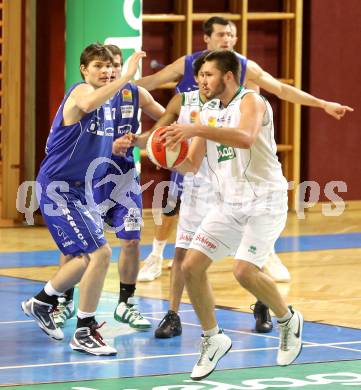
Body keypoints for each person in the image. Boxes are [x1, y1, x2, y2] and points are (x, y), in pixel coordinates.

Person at [137, 15, 353, 283]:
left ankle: (264, 252)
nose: (226, 39)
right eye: (221, 35)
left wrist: (322, 104)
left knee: (243, 201)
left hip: (225, 146)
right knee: (171, 202)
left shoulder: (243, 67)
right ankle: (156, 256)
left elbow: (281, 89)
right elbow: (155, 80)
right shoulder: (189, 63)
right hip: (192, 145)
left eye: (231, 35)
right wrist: (117, 86)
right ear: (206, 38)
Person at [163, 50, 304, 381]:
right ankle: (213, 338)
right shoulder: (207, 111)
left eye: (208, 75)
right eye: (199, 76)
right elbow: (193, 164)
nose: (201, 81)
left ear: (228, 76)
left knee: (244, 271)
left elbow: (244, 136)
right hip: (228, 204)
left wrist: (196, 129)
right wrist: (158, 152)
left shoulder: (251, 101)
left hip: (265, 201)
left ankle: (287, 319)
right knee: (190, 266)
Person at [21, 43, 145, 356]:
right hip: (59, 188)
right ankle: (84, 330)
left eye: (111, 66)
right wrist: (126, 76)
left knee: (85, 259)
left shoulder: (109, 104)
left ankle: (41, 301)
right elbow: (88, 103)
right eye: (99, 66)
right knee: (101, 254)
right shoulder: (80, 92)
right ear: (84, 70)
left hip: (80, 189)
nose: (107, 71)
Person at [53, 45, 165, 331]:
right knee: (78, 248)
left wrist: (143, 140)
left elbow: (168, 121)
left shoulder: (135, 93)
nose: (111, 71)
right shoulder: (90, 94)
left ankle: (126, 303)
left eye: (115, 65)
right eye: (105, 65)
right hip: (90, 179)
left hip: (124, 177)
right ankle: (63, 301)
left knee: (131, 240)